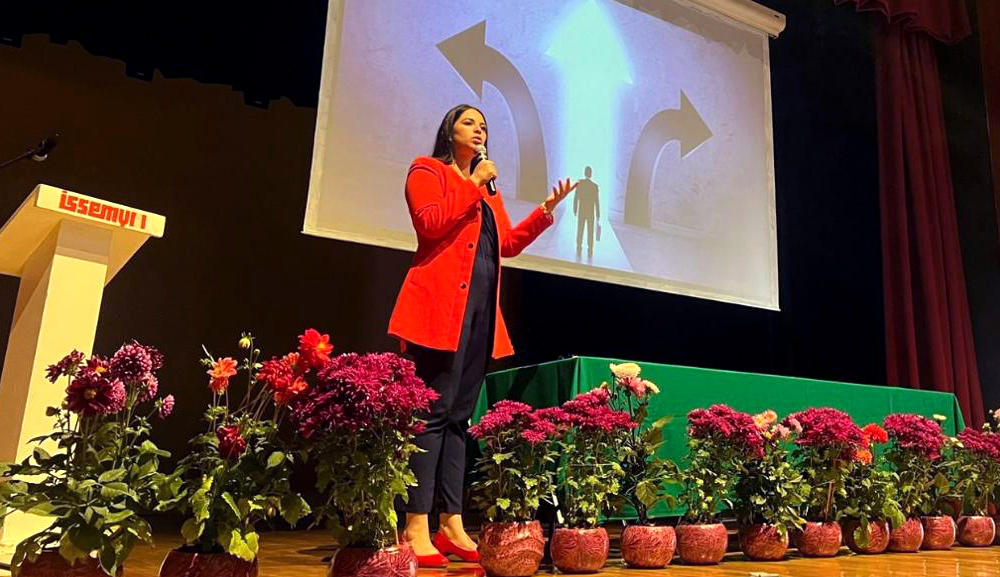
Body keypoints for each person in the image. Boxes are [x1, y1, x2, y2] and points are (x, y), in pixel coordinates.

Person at [388, 104, 576, 567]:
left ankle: (451, 523)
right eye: (469, 122)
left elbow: (506, 244)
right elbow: (430, 224)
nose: (479, 130)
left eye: (484, 126)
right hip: (438, 309)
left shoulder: (488, 191)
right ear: (448, 131)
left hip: (479, 313)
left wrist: (544, 212)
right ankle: (415, 525)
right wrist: (472, 183)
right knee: (433, 415)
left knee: (458, 418)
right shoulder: (427, 170)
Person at [574, 165, 600, 258]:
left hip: (582, 211)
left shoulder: (580, 184)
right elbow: (597, 201)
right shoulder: (595, 186)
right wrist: (598, 214)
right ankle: (590, 249)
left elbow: (576, 198)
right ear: (591, 174)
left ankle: (579, 246)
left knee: (580, 229)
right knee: (590, 231)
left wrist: (575, 209)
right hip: (590, 212)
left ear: (584, 173)